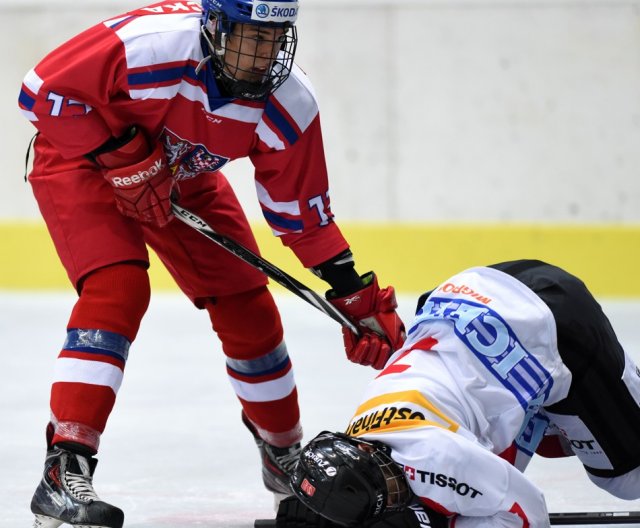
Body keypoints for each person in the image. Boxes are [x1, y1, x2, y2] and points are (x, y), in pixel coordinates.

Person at [17, 1, 405, 526]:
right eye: (250, 35)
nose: (262, 53)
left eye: (274, 38)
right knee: (118, 288)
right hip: (83, 161)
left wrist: (353, 295)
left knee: (248, 304)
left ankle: (282, 455)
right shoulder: (152, 45)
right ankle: (64, 468)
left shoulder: (288, 103)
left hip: (181, 179)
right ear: (216, 26)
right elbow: (42, 91)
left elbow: (301, 216)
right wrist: (123, 154)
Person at [285, 259, 640, 528]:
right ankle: (552, 415)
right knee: (503, 465)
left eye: (388, 489)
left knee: (627, 480)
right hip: (465, 293)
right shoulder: (360, 433)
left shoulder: (439, 459)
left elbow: (530, 512)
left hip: (548, 321)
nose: (397, 493)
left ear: (363, 448)